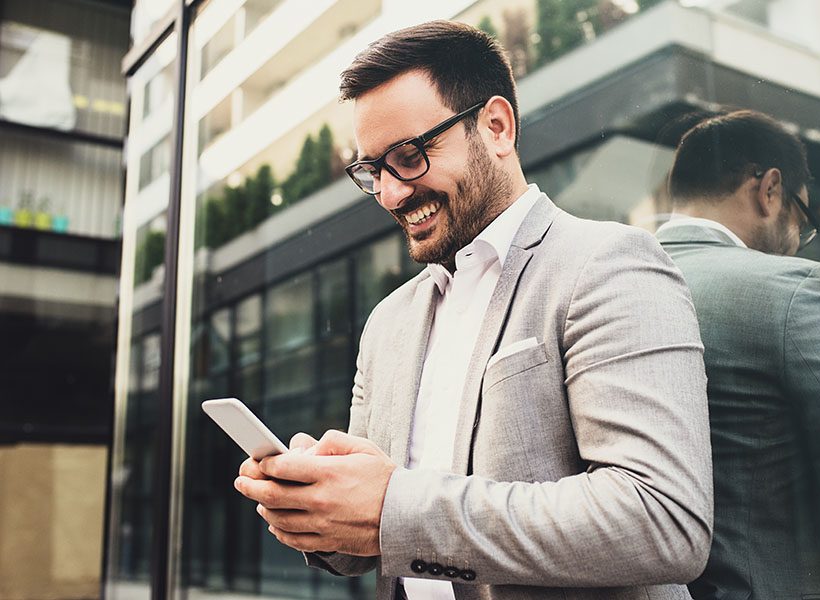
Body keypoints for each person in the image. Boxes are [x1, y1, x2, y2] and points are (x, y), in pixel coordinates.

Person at [235, 20, 713, 600]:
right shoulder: (388, 322)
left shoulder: (609, 264)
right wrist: (319, 513)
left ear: (496, 127)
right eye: (372, 170)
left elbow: (662, 520)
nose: (390, 193)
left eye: (409, 156)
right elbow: (377, 535)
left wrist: (392, 506)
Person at [656, 109, 820, 600]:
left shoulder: (603, 286)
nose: (796, 242)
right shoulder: (798, 289)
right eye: (801, 219)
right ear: (770, 189)